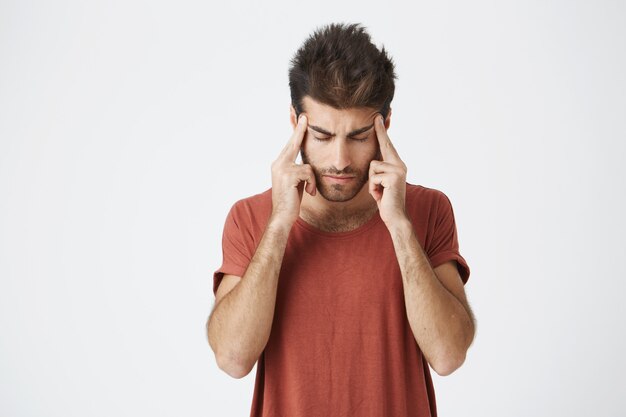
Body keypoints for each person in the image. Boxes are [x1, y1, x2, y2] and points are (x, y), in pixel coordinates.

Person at [207, 22, 476, 417]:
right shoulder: (251, 218)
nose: (339, 161)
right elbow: (232, 359)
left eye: (358, 136)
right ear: (295, 123)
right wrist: (281, 223)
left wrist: (399, 226)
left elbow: (448, 355)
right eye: (322, 136)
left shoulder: (427, 211)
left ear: (384, 125)